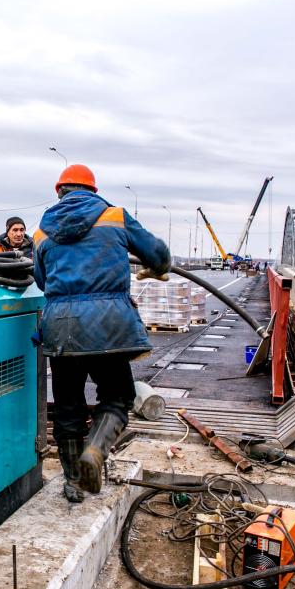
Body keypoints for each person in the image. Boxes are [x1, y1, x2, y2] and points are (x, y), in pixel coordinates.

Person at [33, 164, 171, 502]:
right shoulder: (115, 217)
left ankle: (72, 481)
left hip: (61, 328)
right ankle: (95, 450)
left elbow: (41, 280)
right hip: (109, 327)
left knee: (68, 407)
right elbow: (159, 255)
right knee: (117, 397)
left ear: (59, 191)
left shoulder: (41, 232)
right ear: (94, 191)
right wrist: (157, 268)